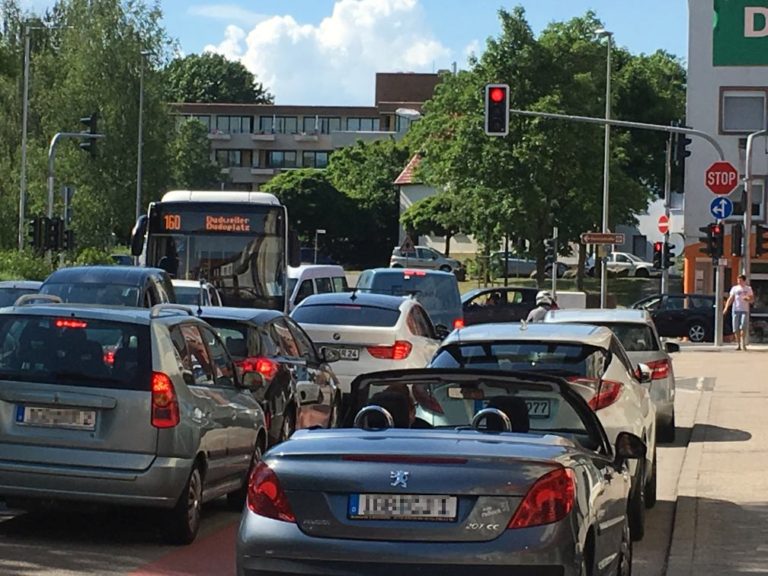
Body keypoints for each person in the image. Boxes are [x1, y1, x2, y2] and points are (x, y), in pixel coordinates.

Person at [724, 274, 754, 350]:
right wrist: (726, 308)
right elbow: (731, 298)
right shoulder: (734, 288)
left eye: (740, 280)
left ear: (744, 281)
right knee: (736, 328)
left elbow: (752, 300)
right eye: (738, 280)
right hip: (736, 310)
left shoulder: (748, 289)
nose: (739, 281)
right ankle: (738, 344)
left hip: (744, 310)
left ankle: (743, 342)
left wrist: (748, 299)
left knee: (743, 326)